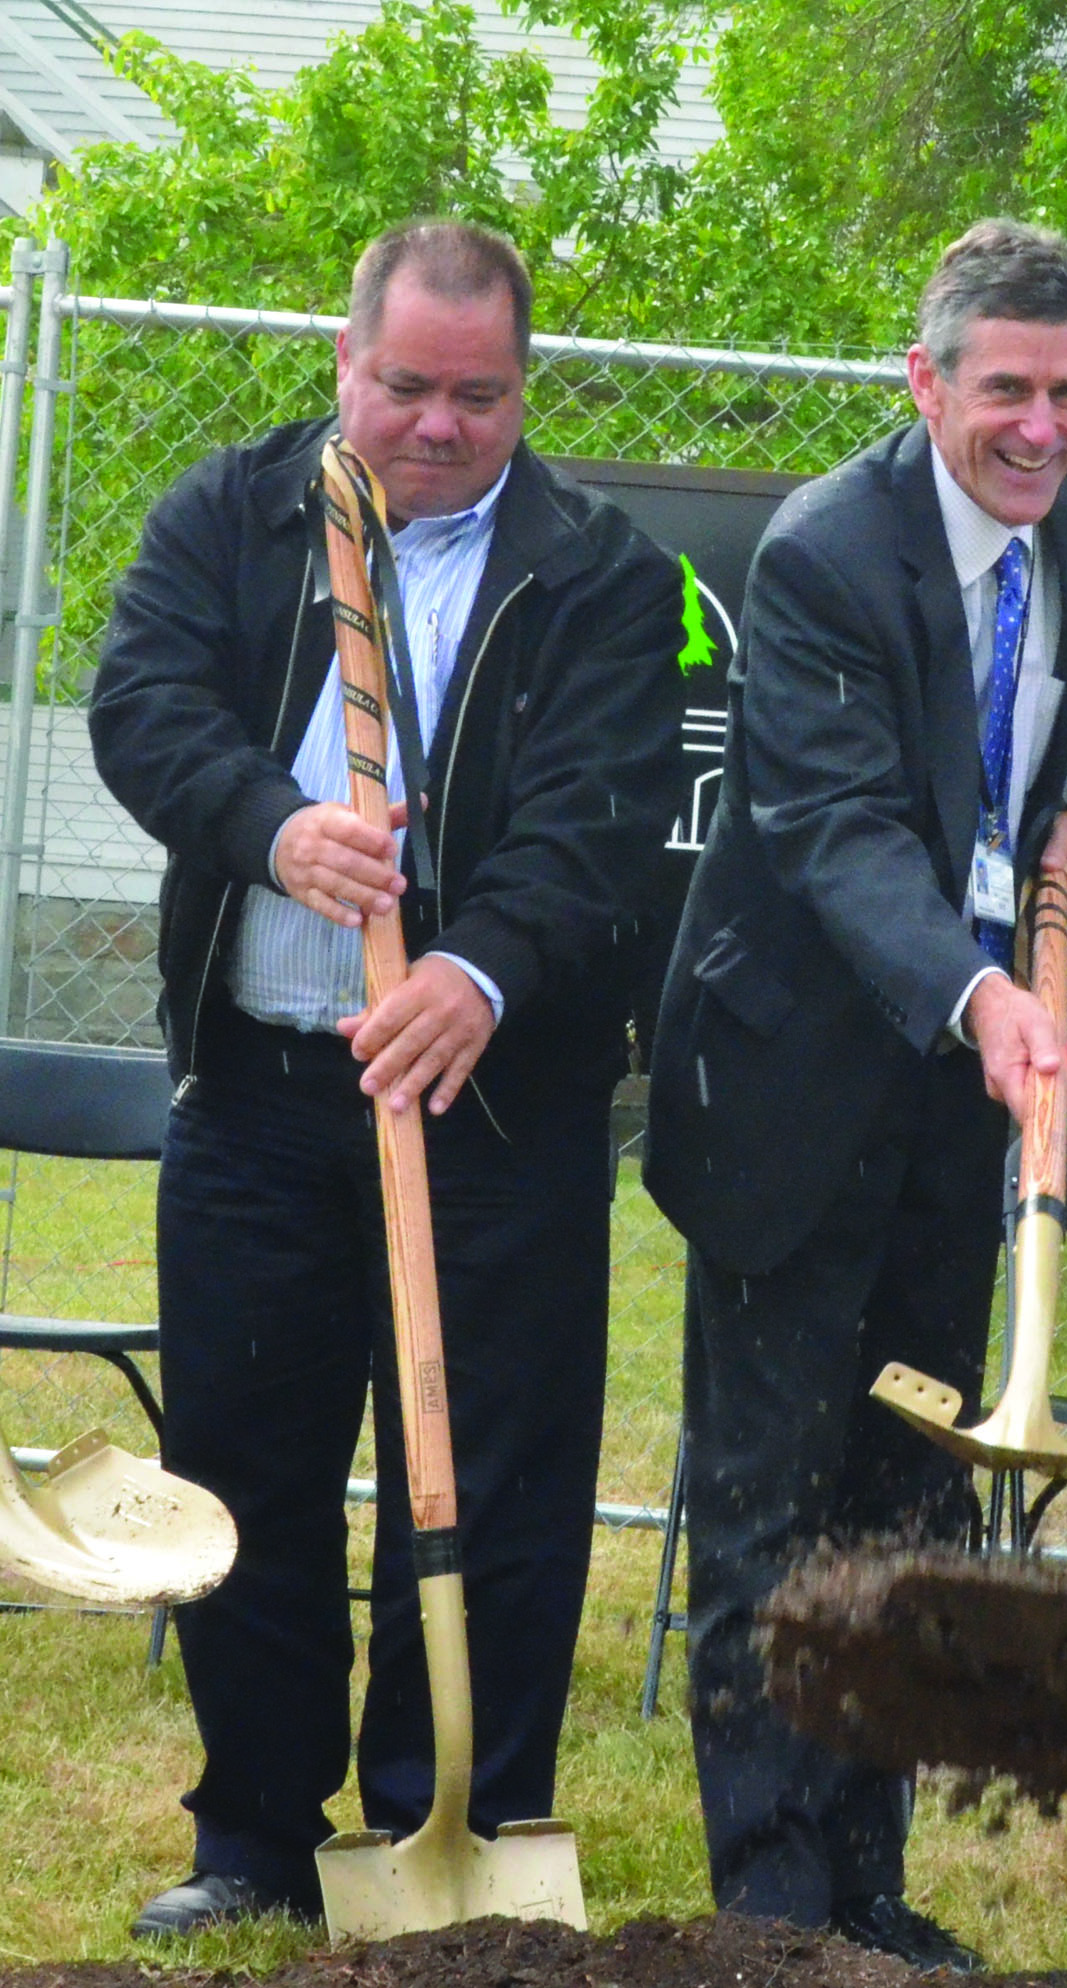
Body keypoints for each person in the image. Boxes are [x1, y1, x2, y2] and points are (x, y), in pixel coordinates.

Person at [87, 220, 687, 1937]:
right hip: (263, 1098)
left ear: (523, 389)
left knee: (492, 1481)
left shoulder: (602, 571)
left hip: (489, 1111)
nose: (440, 423)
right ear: (346, 360)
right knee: (242, 1471)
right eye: (408, 385)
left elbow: (601, 821)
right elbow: (142, 705)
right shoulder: (233, 512)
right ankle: (258, 1844)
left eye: (480, 396)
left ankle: (460, 1838)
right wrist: (272, 831)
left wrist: (474, 969)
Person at [641, 217, 1067, 1970]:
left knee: (909, 1509)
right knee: (773, 1513)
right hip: (794, 1089)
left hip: (957, 1107)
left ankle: (866, 1890)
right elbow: (840, 832)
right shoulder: (824, 555)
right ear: (922, 379)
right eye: (1006, 389)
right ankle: (773, 1914)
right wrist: (985, 987)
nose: (1043, 426)